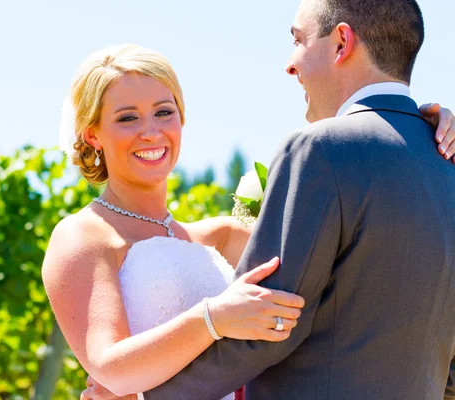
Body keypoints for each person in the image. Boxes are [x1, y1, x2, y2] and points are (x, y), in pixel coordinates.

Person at [41, 41, 455, 400]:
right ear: (93, 134)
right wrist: (214, 318)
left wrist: (418, 135)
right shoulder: (84, 236)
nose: (151, 132)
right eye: (127, 118)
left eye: (164, 112)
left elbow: (353, 250)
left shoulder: (222, 237)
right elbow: (110, 368)